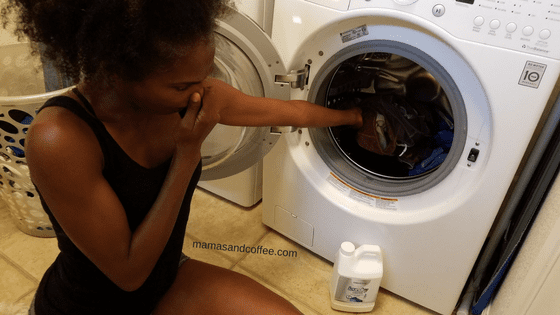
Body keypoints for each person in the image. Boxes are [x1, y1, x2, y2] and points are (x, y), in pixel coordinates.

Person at [2, 1, 362, 314]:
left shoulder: (189, 95)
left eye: (203, 76)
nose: (198, 93)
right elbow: (128, 274)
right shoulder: (60, 138)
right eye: (181, 86)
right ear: (115, 72)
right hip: (92, 304)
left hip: (165, 280)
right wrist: (187, 154)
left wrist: (353, 118)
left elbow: (290, 113)